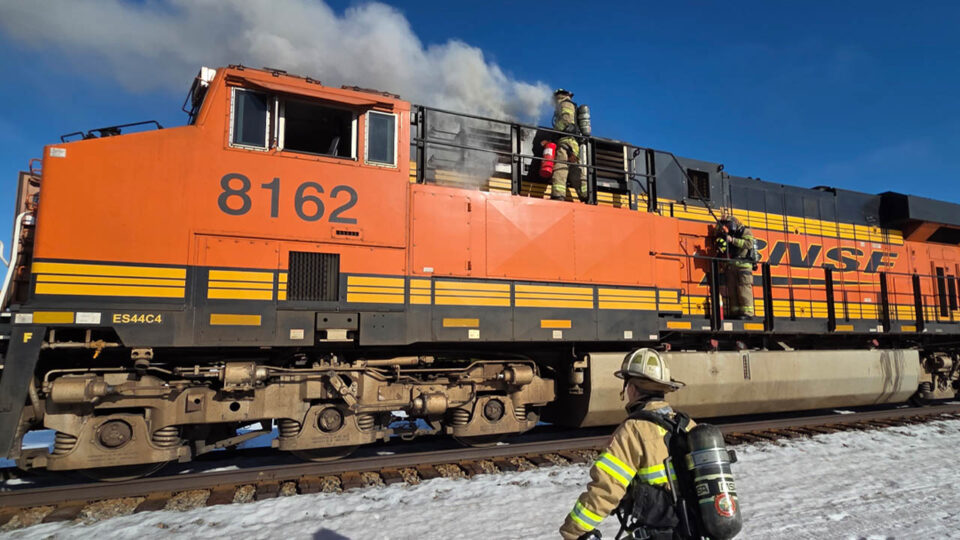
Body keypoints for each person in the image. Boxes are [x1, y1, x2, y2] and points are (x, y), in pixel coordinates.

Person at [559, 349, 692, 540]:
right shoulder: (687, 425)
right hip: (696, 531)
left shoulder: (634, 429)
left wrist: (573, 531)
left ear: (631, 388)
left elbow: (606, 489)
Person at [715, 217, 756, 319]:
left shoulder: (745, 231)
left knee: (744, 289)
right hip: (732, 266)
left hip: (743, 265)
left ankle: (747, 313)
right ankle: (735, 312)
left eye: (729, 224)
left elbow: (749, 244)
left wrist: (733, 240)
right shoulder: (729, 234)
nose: (728, 227)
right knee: (732, 290)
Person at [550, 89, 586, 202]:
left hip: (566, 140)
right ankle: (586, 194)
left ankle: (558, 194)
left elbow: (566, 121)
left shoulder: (564, 104)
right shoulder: (570, 104)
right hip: (573, 142)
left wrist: (556, 132)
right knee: (576, 170)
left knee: (561, 166)